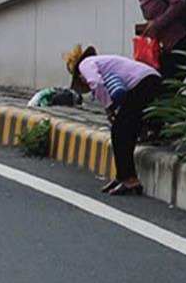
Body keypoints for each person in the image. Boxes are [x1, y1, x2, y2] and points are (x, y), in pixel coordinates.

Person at [68, 43, 163, 198]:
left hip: (143, 83)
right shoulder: (102, 62)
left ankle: (129, 179)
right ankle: (123, 176)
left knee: (120, 130)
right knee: (126, 129)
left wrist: (109, 107)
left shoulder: (86, 65)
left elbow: (96, 83)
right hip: (149, 81)